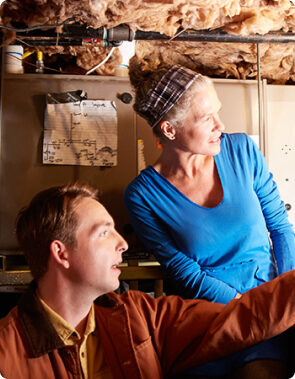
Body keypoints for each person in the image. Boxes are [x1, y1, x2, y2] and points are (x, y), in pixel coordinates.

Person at [0, 183, 295, 379]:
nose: (123, 244)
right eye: (104, 233)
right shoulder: (7, 351)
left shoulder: (140, 314)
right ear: (61, 254)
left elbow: (239, 318)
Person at [124, 64, 295, 377]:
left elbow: (281, 228)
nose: (221, 124)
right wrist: (242, 308)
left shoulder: (242, 150)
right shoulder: (142, 195)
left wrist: (284, 299)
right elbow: (182, 270)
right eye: (206, 118)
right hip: (206, 320)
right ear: (169, 130)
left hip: (270, 311)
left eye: (218, 112)